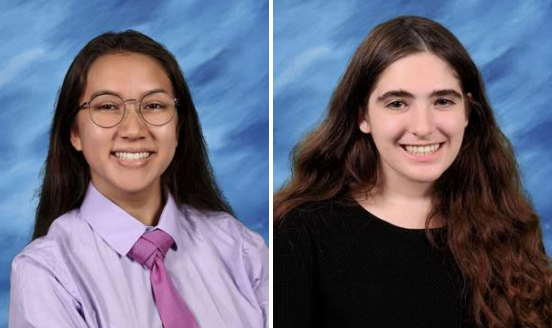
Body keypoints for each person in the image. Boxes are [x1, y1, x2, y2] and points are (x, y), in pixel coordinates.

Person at [274, 16, 552, 328]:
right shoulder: (301, 232)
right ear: (363, 116)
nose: (423, 127)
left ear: (468, 112)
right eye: (397, 103)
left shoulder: (510, 225)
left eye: (443, 101)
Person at [9, 30, 268, 328]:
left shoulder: (242, 249)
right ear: (75, 133)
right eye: (107, 107)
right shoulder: (45, 274)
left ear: (180, 126)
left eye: (154, 105)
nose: (133, 129)